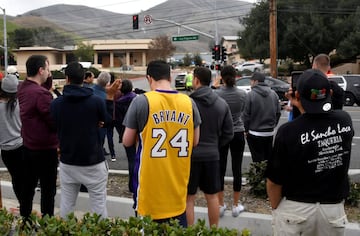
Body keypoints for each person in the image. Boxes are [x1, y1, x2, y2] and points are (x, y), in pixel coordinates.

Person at [266, 69, 354, 236]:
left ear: (297, 95)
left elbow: (274, 181)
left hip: (296, 208)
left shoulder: (288, 131)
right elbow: (327, 112)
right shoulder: (345, 120)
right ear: (329, 93)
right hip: (332, 211)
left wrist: (276, 208)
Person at [122, 60, 201, 227]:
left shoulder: (142, 101)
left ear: (149, 78)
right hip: (177, 189)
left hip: (149, 191)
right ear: (170, 77)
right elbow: (195, 141)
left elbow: (127, 141)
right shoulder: (189, 103)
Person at [50, 61, 109, 218]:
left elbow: (53, 126)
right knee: (99, 205)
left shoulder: (56, 104)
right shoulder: (96, 101)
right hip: (94, 161)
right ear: (84, 78)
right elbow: (107, 120)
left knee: (67, 205)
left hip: (68, 161)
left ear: (67, 78)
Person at [186, 67, 233, 227]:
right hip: (212, 156)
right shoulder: (221, 104)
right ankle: (213, 231)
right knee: (212, 197)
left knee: (188, 198)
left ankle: (189, 232)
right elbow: (229, 133)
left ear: (197, 80)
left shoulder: (187, 103)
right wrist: (215, 145)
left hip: (190, 157)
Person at [17, 55, 59, 219]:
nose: (49, 72)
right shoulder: (41, 95)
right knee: (48, 189)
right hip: (44, 150)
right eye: (47, 69)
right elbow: (52, 121)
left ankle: (25, 218)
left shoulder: (24, 88)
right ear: (41, 70)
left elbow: (43, 90)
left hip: (27, 146)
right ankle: (47, 221)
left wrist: (48, 79)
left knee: (27, 186)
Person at [214, 65, 247, 217]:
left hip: (222, 133)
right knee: (237, 168)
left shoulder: (217, 94)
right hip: (238, 132)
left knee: (220, 169)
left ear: (221, 76)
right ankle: (235, 204)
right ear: (236, 76)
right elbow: (244, 113)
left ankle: (221, 204)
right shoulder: (242, 94)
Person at [242, 72, 281, 163]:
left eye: (251, 81)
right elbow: (278, 112)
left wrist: (246, 130)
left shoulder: (250, 95)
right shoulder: (273, 94)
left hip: (254, 132)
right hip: (269, 132)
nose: (251, 83)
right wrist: (273, 125)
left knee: (257, 160)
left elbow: (246, 115)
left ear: (255, 81)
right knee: (268, 159)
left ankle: (259, 177)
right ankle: (267, 176)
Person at [0, 74, 24, 209]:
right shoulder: (18, 105)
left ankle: (22, 204)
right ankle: (25, 207)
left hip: (6, 151)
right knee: (25, 179)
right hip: (21, 146)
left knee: (16, 179)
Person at [114, 79, 137, 193]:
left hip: (125, 131)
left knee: (131, 159)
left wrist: (122, 134)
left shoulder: (119, 102)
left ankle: (132, 185)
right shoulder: (136, 99)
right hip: (138, 131)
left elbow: (118, 121)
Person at [93, 71, 111, 156]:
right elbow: (107, 117)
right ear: (108, 83)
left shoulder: (90, 90)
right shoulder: (105, 97)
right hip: (100, 126)